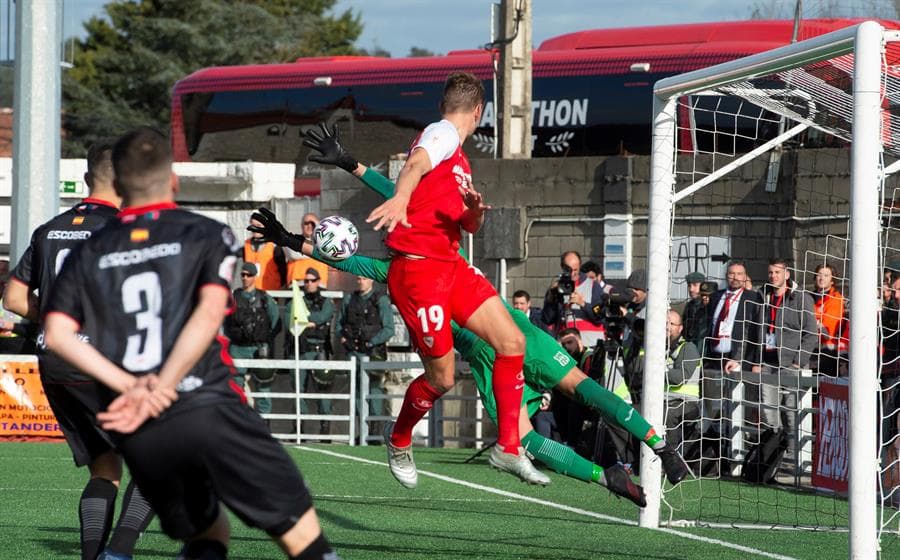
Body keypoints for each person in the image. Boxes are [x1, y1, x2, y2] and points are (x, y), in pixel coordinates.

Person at [251, 133, 691, 488]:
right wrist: (294, 239)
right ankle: (606, 478)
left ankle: (658, 443)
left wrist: (349, 164)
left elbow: (395, 194)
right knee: (523, 436)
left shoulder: (442, 220)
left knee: (585, 389)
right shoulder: (403, 267)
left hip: (510, 329)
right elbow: (357, 258)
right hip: (482, 353)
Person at [43, 127, 336, 560]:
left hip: (143, 427)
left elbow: (58, 334)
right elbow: (209, 313)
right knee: (302, 536)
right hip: (208, 406)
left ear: (119, 187)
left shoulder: (92, 249)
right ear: (174, 180)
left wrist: (130, 386)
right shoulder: (205, 234)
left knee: (206, 532)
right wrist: (166, 382)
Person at [361, 72, 543, 486]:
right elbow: (414, 163)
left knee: (511, 342)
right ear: (478, 112)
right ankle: (400, 437)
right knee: (442, 378)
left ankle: (508, 448)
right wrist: (401, 196)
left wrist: (474, 211)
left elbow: (466, 225)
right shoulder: (440, 135)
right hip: (418, 271)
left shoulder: (459, 161)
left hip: (450, 265)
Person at [3, 141, 155, 560]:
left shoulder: (50, 229)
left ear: (88, 179)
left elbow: (14, 299)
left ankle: (93, 556)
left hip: (56, 362)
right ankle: (118, 552)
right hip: (107, 361)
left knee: (105, 469)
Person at [751, 258, 817, 452]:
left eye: (777, 273)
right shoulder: (762, 295)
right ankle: (774, 451)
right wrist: (756, 360)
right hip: (768, 362)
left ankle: (795, 453)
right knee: (768, 410)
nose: (773, 276)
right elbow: (755, 330)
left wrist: (799, 361)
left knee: (791, 411)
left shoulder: (800, 297)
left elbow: (811, 332)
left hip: (790, 363)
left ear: (786, 275)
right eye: (770, 273)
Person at [703, 260, 762, 439]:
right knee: (714, 404)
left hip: (738, 357)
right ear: (726, 275)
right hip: (715, 357)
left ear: (745, 278)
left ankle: (740, 441)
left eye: (739, 274)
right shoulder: (716, 297)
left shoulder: (752, 298)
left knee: (738, 403)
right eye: (731, 274)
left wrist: (755, 361)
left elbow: (757, 331)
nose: (735, 277)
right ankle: (715, 439)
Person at [335, 274, 394, 432]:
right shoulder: (350, 299)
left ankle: (374, 430)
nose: (361, 282)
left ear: (371, 280)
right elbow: (339, 326)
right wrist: (344, 340)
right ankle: (361, 429)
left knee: (374, 389)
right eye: (359, 279)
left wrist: (371, 342)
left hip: (373, 352)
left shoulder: (380, 300)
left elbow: (389, 329)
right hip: (354, 353)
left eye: (364, 279)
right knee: (356, 391)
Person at [224, 262, 281, 416]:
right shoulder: (234, 297)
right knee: (235, 386)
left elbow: (276, 322)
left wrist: (265, 341)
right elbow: (225, 321)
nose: (245, 278)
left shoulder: (264, 298)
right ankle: (239, 422)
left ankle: (264, 423)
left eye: (248, 275)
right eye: (242, 274)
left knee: (263, 386)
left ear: (254, 276)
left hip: (259, 348)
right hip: (238, 347)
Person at [298, 267, 335, 436]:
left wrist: (306, 320)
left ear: (318, 282)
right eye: (306, 281)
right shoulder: (298, 299)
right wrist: (310, 321)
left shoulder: (325, 301)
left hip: (320, 351)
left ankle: (325, 428)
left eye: (312, 280)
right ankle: (300, 428)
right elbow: (292, 318)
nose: (309, 284)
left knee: (323, 391)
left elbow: (324, 316)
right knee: (300, 390)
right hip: (303, 349)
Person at [541, 251, 606, 347]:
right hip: (565, 345)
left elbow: (601, 316)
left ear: (580, 266)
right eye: (569, 270)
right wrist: (551, 298)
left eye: (575, 270)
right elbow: (547, 319)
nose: (572, 273)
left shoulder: (593, 285)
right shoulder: (557, 287)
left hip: (589, 344)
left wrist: (582, 303)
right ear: (562, 267)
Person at [663, 310, 701, 454]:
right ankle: (632, 462)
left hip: (687, 402)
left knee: (667, 414)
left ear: (680, 328)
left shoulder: (687, 348)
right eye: (665, 323)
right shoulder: (658, 348)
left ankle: (671, 459)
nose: (667, 326)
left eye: (671, 323)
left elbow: (679, 378)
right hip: (664, 400)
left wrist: (657, 369)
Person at [811, 263, 846, 376]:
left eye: (826, 275)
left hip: (828, 353)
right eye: (819, 274)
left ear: (832, 280)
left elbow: (827, 332)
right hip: (809, 350)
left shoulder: (836, 298)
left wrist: (811, 319)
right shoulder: (808, 297)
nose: (821, 278)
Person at [285, 213, 330, 288]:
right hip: (297, 284)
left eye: (313, 224)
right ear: (302, 225)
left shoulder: (326, 242)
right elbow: (293, 254)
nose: (309, 226)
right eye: (306, 223)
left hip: (318, 284)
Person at [245, 212, 286, 290]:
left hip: (271, 292)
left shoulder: (274, 246)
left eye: (258, 226)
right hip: (251, 292)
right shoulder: (245, 245)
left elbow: (283, 270)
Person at [681, 271, 706, 345]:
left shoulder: (708, 304)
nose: (691, 289)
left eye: (695, 285)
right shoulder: (689, 305)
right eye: (689, 285)